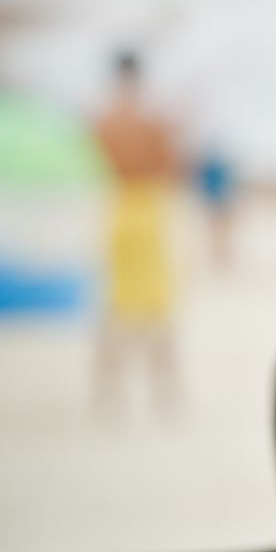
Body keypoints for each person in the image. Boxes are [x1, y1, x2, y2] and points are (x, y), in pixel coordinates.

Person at [91, 47, 185, 418]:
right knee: (156, 309)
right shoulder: (153, 122)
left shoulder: (103, 121)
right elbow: (172, 169)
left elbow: (93, 166)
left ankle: (107, 391)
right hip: (146, 210)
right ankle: (165, 392)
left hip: (118, 208)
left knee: (116, 306)